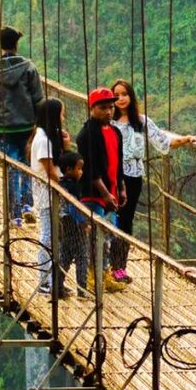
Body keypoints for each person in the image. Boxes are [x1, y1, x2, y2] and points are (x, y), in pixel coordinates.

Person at [109, 78, 196, 284]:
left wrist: (186, 139)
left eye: (124, 94)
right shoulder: (109, 122)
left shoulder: (141, 122)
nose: (121, 99)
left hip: (133, 177)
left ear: (131, 97)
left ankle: (118, 267)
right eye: (116, 95)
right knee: (108, 218)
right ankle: (103, 265)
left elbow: (162, 140)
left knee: (125, 220)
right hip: (111, 176)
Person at [0, 26, 44, 225]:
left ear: (0, 44)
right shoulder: (29, 68)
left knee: (11, 169)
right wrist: (41, 125)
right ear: (16, 44)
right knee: (26, 165)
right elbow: (38, 99)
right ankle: (27, 205)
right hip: (28, 126)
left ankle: (14, 214)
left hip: (5, 128)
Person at [76, 87, 127, 294]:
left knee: (107, 237)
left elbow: (119, 163)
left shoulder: (115, 132)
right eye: (103, 108)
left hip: (111, 192)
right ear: (92, 108)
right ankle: (91, 277)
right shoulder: (87, 135)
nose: (108, 111)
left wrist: (121, 188)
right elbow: (91, 168)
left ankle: (104, 274)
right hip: (94, 194)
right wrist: (106, 194)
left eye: (111, 107)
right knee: (95, 239)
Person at [30, 97, 70, 292]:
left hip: (50, 194)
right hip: (48, 195)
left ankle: (54, 280)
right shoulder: (43, 140)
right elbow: (51, 172)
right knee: (48, 236)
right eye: (62, 114)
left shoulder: (45, 137)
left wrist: (65, 145)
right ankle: (44, 281)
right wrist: (67, 187)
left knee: (55, 236)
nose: (63, 118)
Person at [57, 151, 90, 298]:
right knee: (82, 256)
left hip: (63, 223)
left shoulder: (60, 183)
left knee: (65, 255)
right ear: (69, 170)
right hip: (75, 224)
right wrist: (83, 223)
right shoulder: (74, 187)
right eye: (79, 168)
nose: (81, 172)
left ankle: (57, 287)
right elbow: (73, 207)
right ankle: (82, 290)